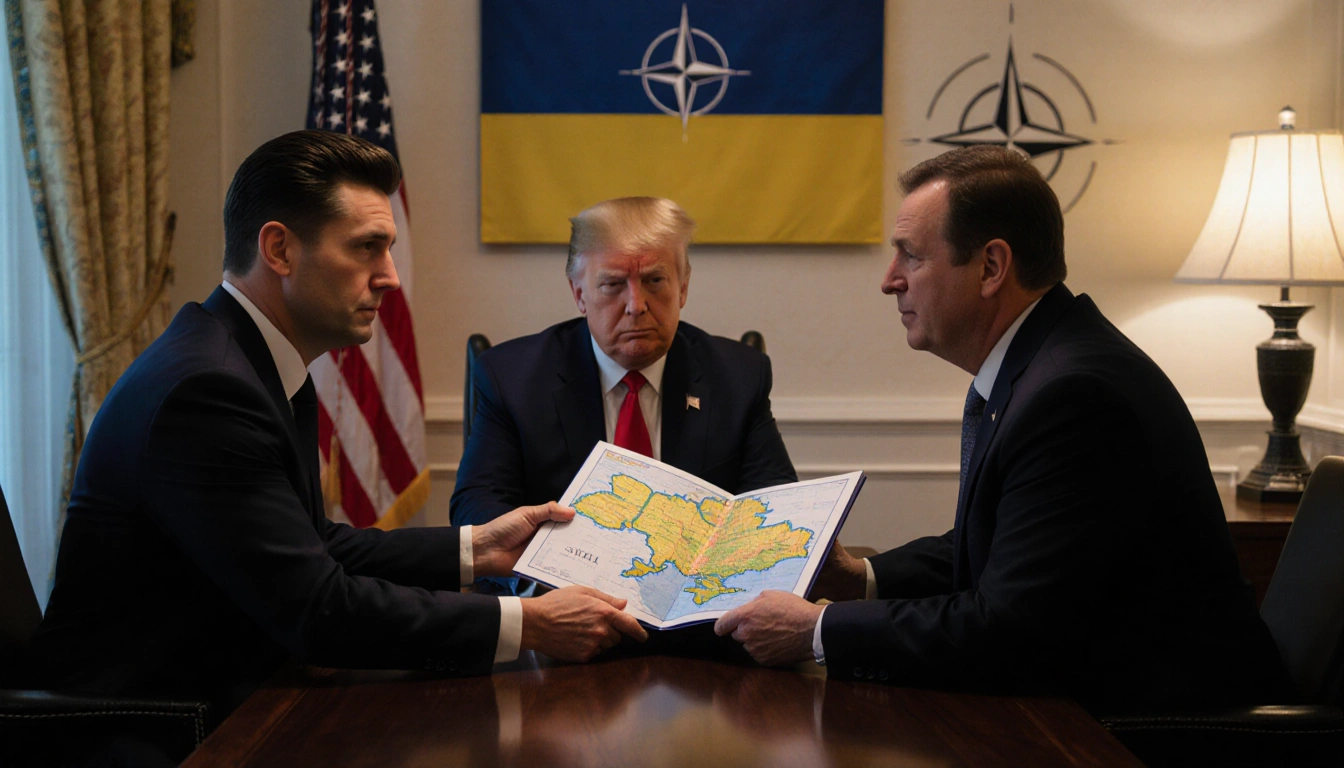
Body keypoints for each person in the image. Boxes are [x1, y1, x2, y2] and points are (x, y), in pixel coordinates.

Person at [21, 131, 646, 717]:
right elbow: (317, 609)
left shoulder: (246, 359)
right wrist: (528, 623)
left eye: (390, 250)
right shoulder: (206, 390)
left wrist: (479, 548)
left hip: (229, 692)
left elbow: (314, 544)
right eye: (366, 247)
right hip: (156, 725)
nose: (391, 278)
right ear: (279, 249)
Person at [714, 146, 1288, 713]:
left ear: (991, 267)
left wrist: (818, 629)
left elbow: (1007, 626)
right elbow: (994, 551)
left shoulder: (1075, 395)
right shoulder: (1042, 362)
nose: (890, 281)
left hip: (1155, 729)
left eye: (910, 256)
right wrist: (859, 578)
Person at [450, 197, 796, 534]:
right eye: (613, 284)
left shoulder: (739, 376)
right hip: (560, 586)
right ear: (579, 295)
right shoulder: (512, 378)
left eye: (654, 281)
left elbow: (775, 505)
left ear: (683, 289)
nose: (636, 305)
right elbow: (477, 509)